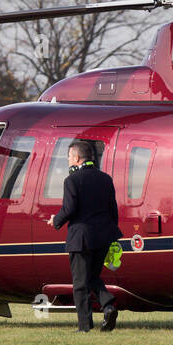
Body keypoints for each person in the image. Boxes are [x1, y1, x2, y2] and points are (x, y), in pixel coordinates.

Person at [48, 140, 122, 332]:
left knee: (80, 283)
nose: (67, 160)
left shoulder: (71, 181)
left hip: (81, 238)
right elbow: (113, 209)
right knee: (92, 277)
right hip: (103, 236)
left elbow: (69, 209)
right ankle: (108, 306)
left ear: (77, 158)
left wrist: (56, 220)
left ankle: (84, 326)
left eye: (69, 157)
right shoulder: (106, 179)